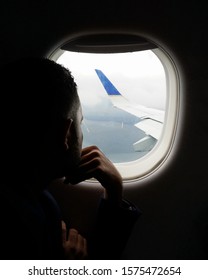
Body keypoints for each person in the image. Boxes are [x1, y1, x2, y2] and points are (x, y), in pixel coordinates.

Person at [0, 57, 140, 260]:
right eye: (80, 124)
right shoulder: (19, 226)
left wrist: (114, 191)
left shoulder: (31, 196)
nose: (82, 136)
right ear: (66, 133)